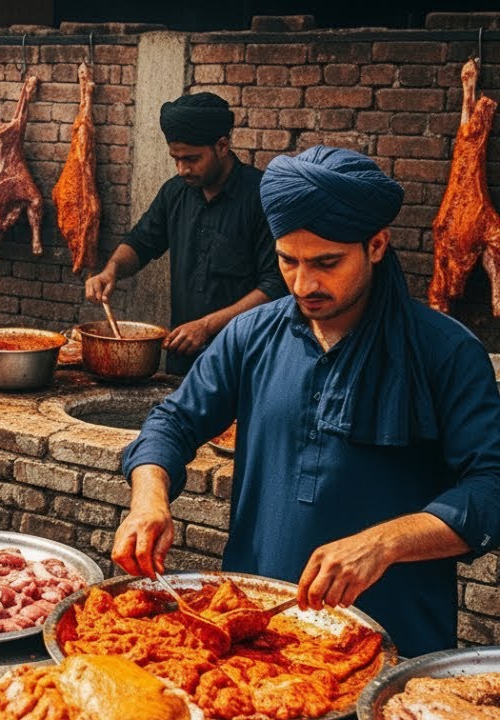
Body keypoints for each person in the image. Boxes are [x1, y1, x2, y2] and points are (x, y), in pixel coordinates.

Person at [112, 145, 500, 658]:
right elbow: (173, 421)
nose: (304, 283)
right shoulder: (251, 334)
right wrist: (149, 497)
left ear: (377, 245)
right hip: (257, 633)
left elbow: (491, 488)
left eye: (327, 262)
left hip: (395, 645)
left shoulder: (446, 352)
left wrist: (383, 544)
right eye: (287, 261)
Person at [85, 92, 286, 375]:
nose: (182, 169)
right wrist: (111, 271)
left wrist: (206, 326)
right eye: (176, 159)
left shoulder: (262, 197)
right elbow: (141, 242)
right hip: (184, 359)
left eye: (192, 159)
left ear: (222, 145)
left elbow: (276, 286)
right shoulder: (175, 192)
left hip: (247, 359)